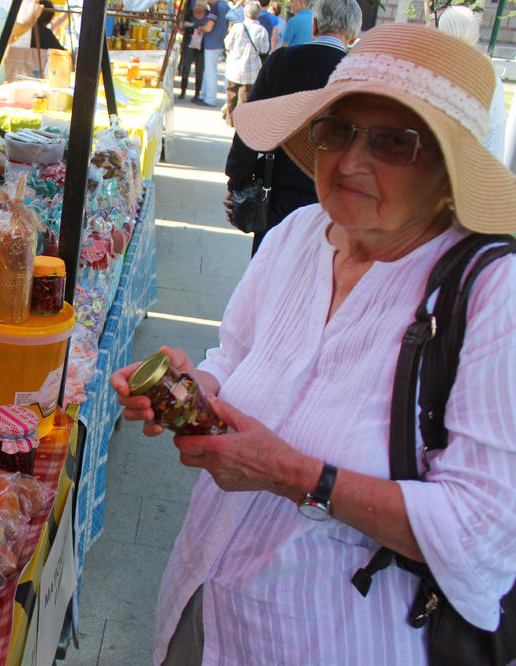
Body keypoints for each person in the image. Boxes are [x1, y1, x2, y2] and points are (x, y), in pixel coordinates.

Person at [112, 23, 516, 665]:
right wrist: (195, 389)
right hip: (207, 600)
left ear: (450, 170)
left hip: (334, 639)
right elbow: (236, 356)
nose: (351, 161)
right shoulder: (300, 233)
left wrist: (292, 474)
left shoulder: (492, 293)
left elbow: (481, 536)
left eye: (393, 141)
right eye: (340, 130)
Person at [224, 0, 361, 254]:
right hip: (331, 200)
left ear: (315, 25)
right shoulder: (358, 76)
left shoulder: (282, 62)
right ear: (353, 35)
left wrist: (237, 180)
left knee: (268, 270)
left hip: (278, 192)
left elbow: (251, 121)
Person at [437, 4, 505, 160]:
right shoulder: (491, 77)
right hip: (475, 168)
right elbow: (495, 138)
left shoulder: (429, 71)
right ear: (475, 34)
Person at [223, 2, 269, 127]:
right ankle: (241, 124)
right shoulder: (262, 31)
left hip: (234, 68)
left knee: (231, 96)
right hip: (251, 71)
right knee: (244, 99)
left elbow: (227, 44)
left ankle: (230, 121)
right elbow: (264, 49)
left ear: (246, 12)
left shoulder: (237, 27)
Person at [194, 0, 231, 107]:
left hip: (212, 42)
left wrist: (201, 29)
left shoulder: (215, 7)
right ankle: (204, 95)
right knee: (209, 71)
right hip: (220, 41)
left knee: (210, 72)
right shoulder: (225, 6)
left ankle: (210, 98)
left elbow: (209, 27)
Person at [178, 0, 209, 100]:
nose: (199, 8)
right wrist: (186, 25)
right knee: (186, 67)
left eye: (202, 6)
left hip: (202, 45)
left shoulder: (208, 15)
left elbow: (209, 28)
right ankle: (183, 91)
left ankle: (197, 93)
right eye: (198, 5)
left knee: (199, 69)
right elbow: (182, 25)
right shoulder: (189, 13)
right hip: (189, 42)